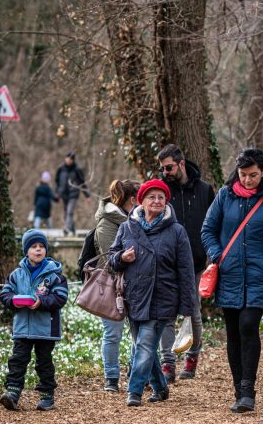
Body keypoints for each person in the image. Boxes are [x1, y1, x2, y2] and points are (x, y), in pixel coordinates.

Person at [201, 148, 263, 413]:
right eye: (243, 175)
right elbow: (208, 230)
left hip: (259, 275)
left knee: (248, 325)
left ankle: (248, 389)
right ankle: (238, 388)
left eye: (253, 175)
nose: (248, 180)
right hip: (229, 273)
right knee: (233, 332)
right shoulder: (224, 196)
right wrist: (218, 256)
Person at [109, 179, 195, 407]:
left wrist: (188, 307)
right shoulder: (127, 227)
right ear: (141, 201)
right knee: (143, 347)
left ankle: (134, 391)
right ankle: (160, 386)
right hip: (134, 297)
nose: (156, 201)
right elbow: (111, 258)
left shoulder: (177, 231)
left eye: (161, 197)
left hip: (163, 298)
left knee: (144, 345)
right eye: (151, 197)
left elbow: (186, 271)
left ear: (166, 202)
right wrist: (120, 258)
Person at [157, 144, 216, 382]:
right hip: (168, 264)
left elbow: (214, 223)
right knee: (167, 314)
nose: (165, 172)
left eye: (169, 167)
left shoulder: (204, 190)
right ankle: (168, 363)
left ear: (181, 163)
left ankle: (192, 357)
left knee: (192, 313)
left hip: (197, 262)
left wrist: (213, 254)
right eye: (162, 168)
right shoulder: (162, 191)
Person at [0, 230, 69, 411]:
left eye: (42, 247)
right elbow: (5, 293)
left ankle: (47, 395)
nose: (38, 250)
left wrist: (41, 302)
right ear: (26, 251)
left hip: (45, 329)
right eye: (33, 247)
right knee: (18, 360)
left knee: (44, 362)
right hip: (22, 327)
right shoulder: (16, 274)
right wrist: (13, 300)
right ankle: (12, 393)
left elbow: (60, 298)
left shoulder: (55, 275)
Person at [95, 179, 139, 392]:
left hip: (135, 283)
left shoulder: (138, 220)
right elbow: (108, 258)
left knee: (138, 332)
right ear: (132, 200)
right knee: (113, 333)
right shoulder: (107, 223)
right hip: (112, 285)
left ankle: (136, 372)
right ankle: (111, 377)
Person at [55, 151, 90, 235]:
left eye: (70, 159)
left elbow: (82, 183)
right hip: (64, 193)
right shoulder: (61, 169)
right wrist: (57, 192)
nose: (68, 160)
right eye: (67, 158)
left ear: (73, 160)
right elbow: (57, 181)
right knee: (66, 212)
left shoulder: (77, 169)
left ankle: (66, 228)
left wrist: (87, 195)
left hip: (73, 193)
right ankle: (73, 229)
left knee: (69, 211)